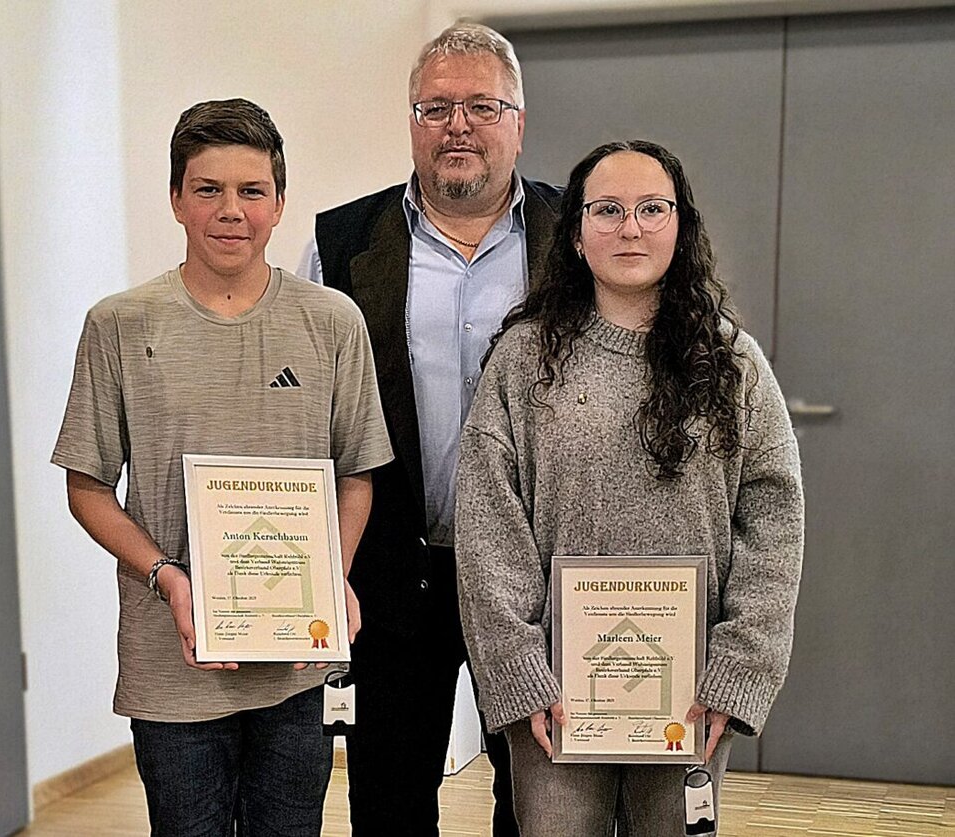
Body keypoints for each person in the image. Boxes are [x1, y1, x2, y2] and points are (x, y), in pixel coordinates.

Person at [51, 99, 392, 836]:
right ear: (176, 198)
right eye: (207, 189)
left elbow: (357, 471)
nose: (230, 211)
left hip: (296, 661)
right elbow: (86, 485)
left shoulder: (333, 321)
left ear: (279, 201)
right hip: (171, 667)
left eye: (251, 191)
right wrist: (166, 577)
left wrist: (332, 571)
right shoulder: (120, 324)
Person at [455, 140, 805, 836]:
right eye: (608, 209)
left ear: (681, 225)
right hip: (555, 701)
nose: (631, 227)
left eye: (652, 208)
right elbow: (487, 522)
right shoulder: (523, 361)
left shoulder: (733, 364)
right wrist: (521, 671)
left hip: (690, 696)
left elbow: (774, 521)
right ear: (578, 234)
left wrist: (736, 672)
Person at [298, 21, 561, 837]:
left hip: (534, 579)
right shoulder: (340, 243)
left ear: (519, 120)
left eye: (482, 106)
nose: (457, 125)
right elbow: (312, 419)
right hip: (391, 574)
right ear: (411, 121)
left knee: (535, 795)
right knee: (387, 796)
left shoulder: (578, 236)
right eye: (436, 106)